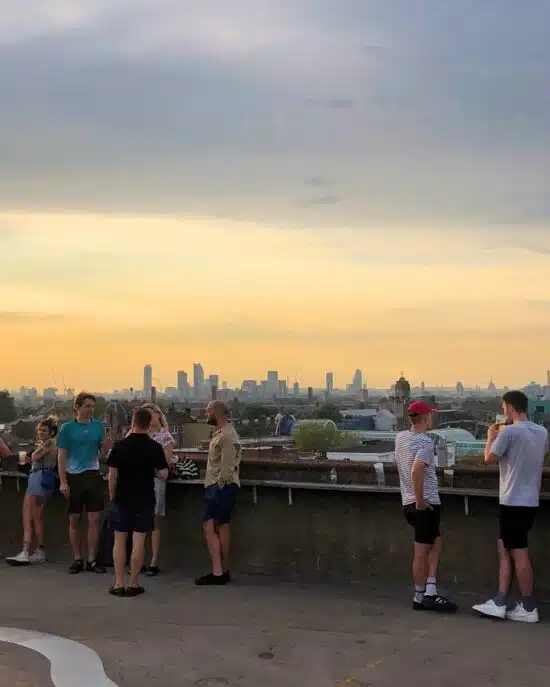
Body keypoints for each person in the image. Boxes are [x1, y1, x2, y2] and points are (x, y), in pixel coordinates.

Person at [473, 390, 548, 623]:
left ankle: (528, 606)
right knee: (506, 548)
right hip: (530, 500)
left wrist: (490, 437)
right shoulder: (541, 432)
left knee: (518, 552)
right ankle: (500, 600)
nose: (503, 412)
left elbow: (489, 458)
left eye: (504, 408)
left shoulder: (510, 432)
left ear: (511, 407)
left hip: (512, 500)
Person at [394, 401, 458, 613]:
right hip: (424, 503)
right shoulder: (426, 443)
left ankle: (429, 588)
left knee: (436, 540)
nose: (433, 418)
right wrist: (421, 500)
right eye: (431, 415)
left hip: (407, 501)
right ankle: (420, 596)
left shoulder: (400, 438)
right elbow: (416, 470)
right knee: (421, 551)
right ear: (424, 417)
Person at [107, 407, 169, 596]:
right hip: (145, 499)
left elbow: (112, 476)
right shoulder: (154, 447)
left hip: (122, 498)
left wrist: (112, 497)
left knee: (119, 541)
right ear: (149, 424)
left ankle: (118, 583)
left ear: (133, 422)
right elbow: (163, 474)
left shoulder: (120, 445)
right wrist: (153, 471)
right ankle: (134, 583)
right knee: (139, 541)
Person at [57, 392, 111, 574]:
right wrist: (63, 481)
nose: (91, 410)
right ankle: (77, 558)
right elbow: (61, 457)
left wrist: (106, 448)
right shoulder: (67, 428)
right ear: (77, 407)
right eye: (87, 406)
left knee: (94, 519)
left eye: (93, 406)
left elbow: (101, 454)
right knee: (74, 519)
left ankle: (92, 560)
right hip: (74, 476)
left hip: (92, 474)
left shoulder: (98, 426)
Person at [195, 401, 242, 586]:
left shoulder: (227, 435)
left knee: (211, 526)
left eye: (208, 412)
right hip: (218, 487)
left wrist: (219, 485)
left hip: (221, 487)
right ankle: (222, 570)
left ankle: (219, 572)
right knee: (220, 526)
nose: (206, 415)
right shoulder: (221, 433)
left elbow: (227, 467)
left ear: (216, 413)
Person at [6, 417, 58, 566]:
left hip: (40, 478)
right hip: (35, 478)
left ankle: (33, 551)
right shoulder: (45, 444)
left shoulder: (50, 443)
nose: (40, 432)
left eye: (44, 430)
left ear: (51, 432)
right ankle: (29, 550)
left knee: (35, 517)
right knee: (29, 516)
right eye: (39, 430)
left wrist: (33, 456)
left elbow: (35, 456)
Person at [140, 402, 175, 575]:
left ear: (158, 415)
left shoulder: (165, 436)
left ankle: (153, 561)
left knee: (155, 522)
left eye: (150, 414)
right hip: (139, 483)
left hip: (156, 482)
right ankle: (138, 560)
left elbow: (165, 463)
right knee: (139, 522)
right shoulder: (139, 433)